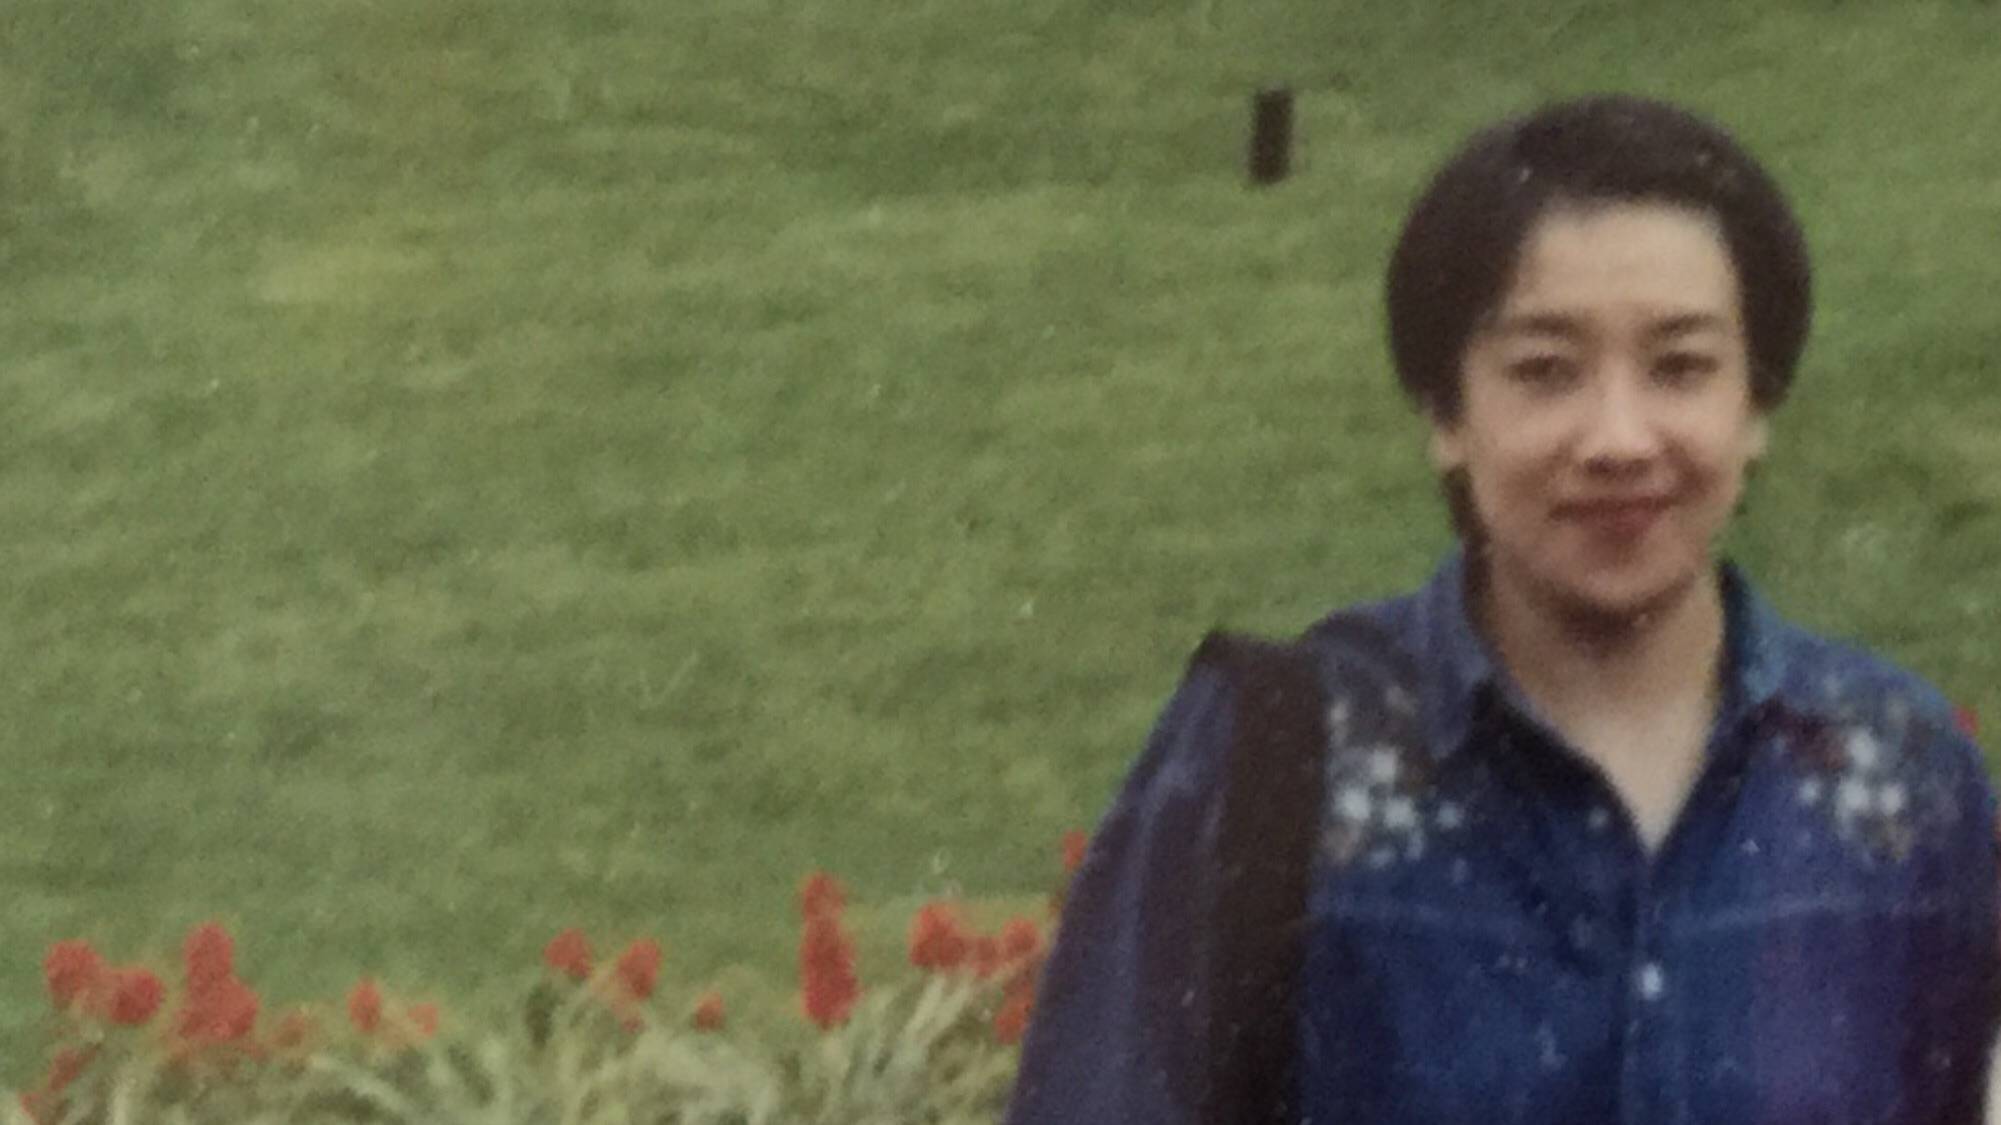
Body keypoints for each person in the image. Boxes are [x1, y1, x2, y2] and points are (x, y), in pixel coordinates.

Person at [1005, 94, 1999, 1124]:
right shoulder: (1279, 757)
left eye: (1681, 367)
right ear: (1445, 412)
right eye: (1545, 372)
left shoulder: (1897, 776)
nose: (1619, 439)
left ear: (1756, 407)